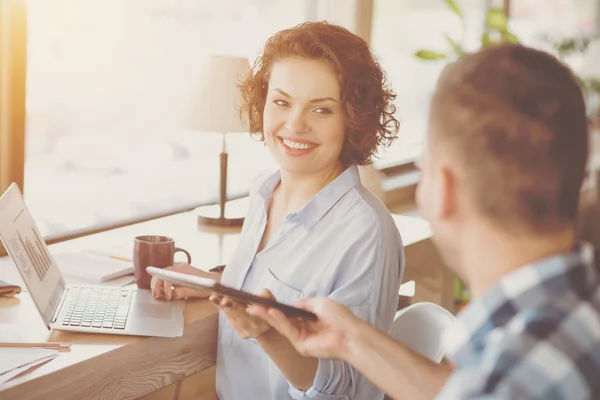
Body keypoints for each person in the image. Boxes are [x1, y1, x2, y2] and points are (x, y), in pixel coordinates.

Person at [248, 44, 600, 399]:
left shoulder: (509, 376)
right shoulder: (572, 316)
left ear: (444, 188)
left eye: (424, 163)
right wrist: (351, 339)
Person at [152, 21, 405, 400]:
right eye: (282, 102)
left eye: (321, 110)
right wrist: (214, 285)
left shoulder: (366, 233)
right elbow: (275, 292)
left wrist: (268, 332)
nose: (294, 125)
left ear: (352, 120)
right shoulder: (265, 192)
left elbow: (342, 390)